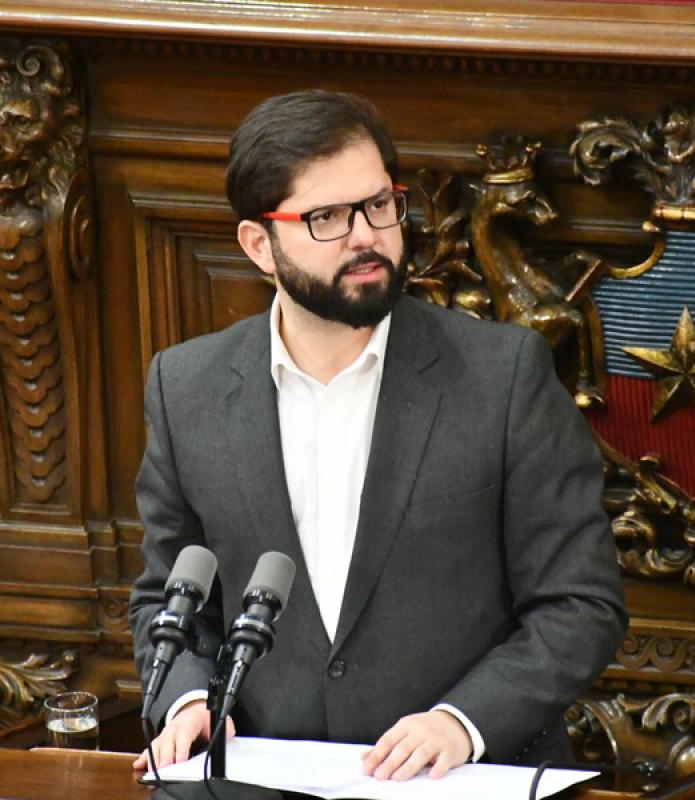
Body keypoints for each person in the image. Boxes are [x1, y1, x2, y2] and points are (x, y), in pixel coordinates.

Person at [128, 90, 627, 782]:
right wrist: (187, 700)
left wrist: (462, 722)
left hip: (463, 783)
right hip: (262, 782)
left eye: (379, 205)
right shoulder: (187, 388)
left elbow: (581, 603)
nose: (366, 236)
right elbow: (168, 597)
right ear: (259, 245)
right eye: (327, 217)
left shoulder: (502, 376)